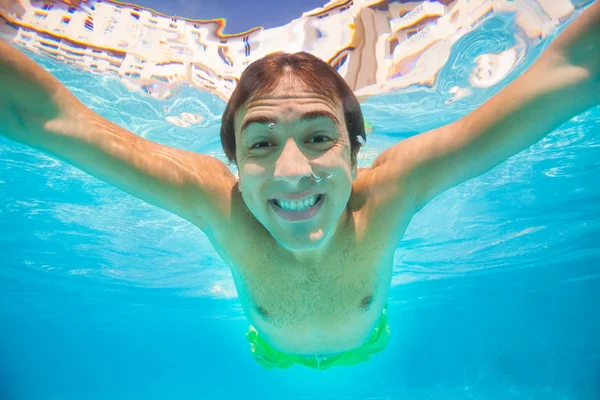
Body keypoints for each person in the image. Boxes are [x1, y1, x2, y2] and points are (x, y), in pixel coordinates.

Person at [0, 2, 598, 370]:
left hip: (370, 342)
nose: (291, 173)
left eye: (318, 137)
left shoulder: (393, 191)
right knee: (278, 361)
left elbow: (570, 74)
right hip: (272, 353)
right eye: (260, 144)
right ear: (232, 164)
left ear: (357, 151)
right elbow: (48, 118)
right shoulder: (217, 204)